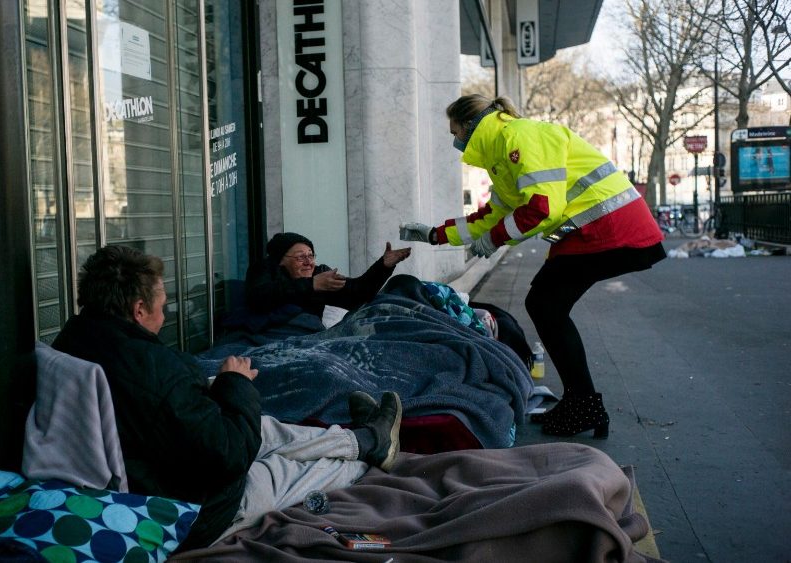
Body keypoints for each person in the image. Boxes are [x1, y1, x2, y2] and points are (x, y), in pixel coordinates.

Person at [51, 245, 403, 551]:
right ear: (140, 309)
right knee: (281, 469)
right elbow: (230, 454)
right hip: (191, 509)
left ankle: (364, 438)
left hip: (149, 462)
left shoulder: (74, 338)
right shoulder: (158, 369)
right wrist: (234, 384)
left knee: (268, 431)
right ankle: (364, 457)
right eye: (162, 303)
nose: (167, 313)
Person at [400, 94, 665, 439]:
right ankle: (582, 404)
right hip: (598, 230)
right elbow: (491, 215)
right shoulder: (501, 156)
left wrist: (495, 239)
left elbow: (542, 207)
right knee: (546, 305)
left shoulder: (519, 137)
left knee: (546, 305)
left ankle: (583, 405)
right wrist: (435, 234)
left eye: (455, 131)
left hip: (611, 228)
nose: (455, 141)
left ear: (469, 125)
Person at [245, 232, 411, 317]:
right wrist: (311, 285)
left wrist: (383, 265)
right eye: (301, 257)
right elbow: (258, 297)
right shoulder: (264, 269)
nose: (309, 262)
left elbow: (358, 294)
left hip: (309, 338)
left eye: (311, 255)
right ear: (281, 261)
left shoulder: (320, 274)